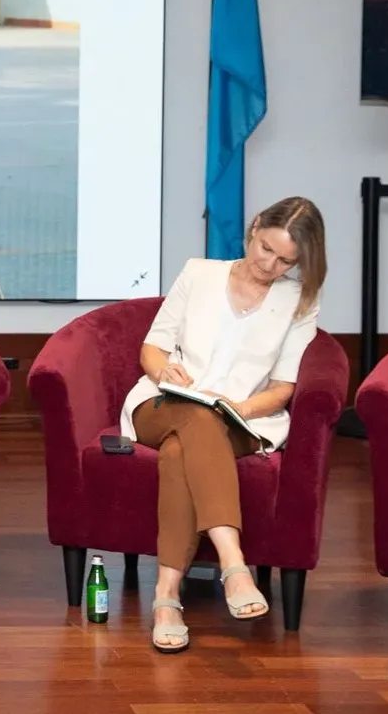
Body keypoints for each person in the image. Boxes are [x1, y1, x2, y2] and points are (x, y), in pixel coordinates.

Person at [123, 197, 326, 653]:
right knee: (195, 416)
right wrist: (164, 371)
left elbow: (283, 388)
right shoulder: (200, 273)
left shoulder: (300, 300)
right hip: (163, 403)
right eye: (265, 249)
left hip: (239, 417)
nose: (269, 265)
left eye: (285, 261)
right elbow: (152, 348)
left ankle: (166, 598)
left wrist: (239, 407)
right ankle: (234, 565)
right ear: (254, 228)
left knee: (182, 449)